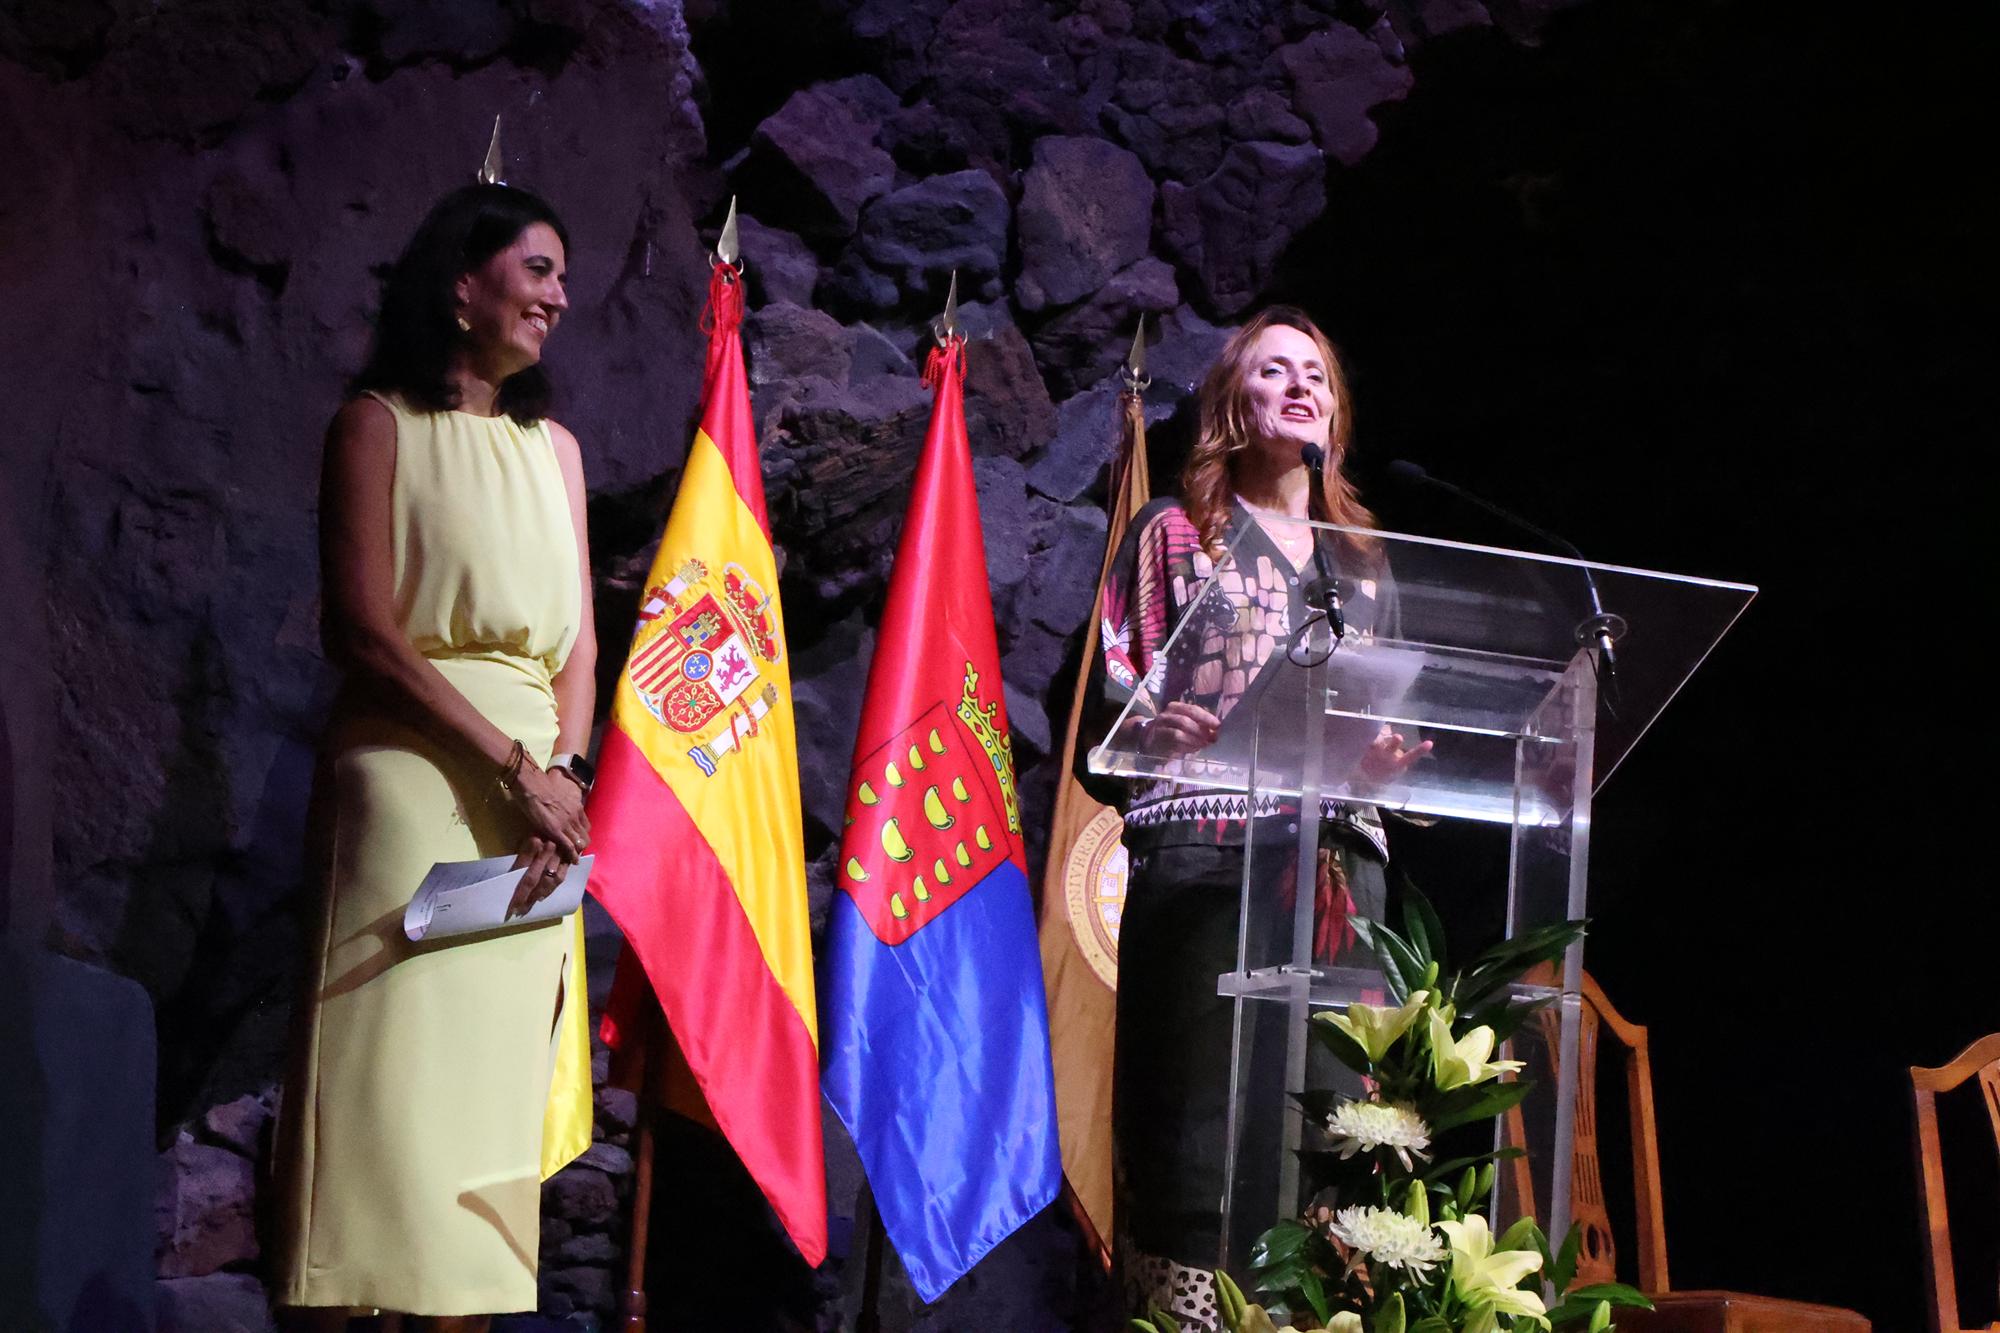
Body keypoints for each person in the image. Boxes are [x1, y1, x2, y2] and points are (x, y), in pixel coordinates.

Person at [269, 181, 598, 1332]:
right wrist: (515, 768)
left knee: (477, 1139)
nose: (558, 294)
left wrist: (566, 782)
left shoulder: (553, 451)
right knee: (386, 1115)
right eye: (537, 268)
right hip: (411, 785)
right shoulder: (375, 425)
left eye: (562, 273)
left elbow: (580, 648)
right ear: (463, 285)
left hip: (532, 821)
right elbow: (362, 631)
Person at [1085, 306, 1429, 1328]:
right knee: (1201, 1139)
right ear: (1231, 399)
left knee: (1325, 1134)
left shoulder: (1362, 559)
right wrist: (1158, 726)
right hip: (1208, 861)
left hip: (1335, 873)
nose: (1299, 388)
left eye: (1315, 376)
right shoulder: (1174, 532)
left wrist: (1380, 761)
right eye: (1273, 371)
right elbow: (1111, 710)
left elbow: (1396, 725)